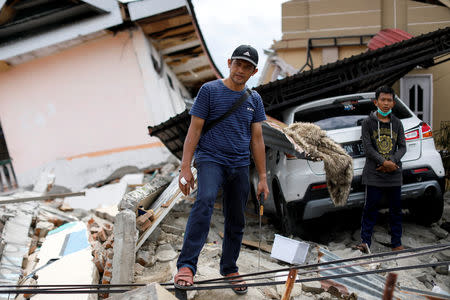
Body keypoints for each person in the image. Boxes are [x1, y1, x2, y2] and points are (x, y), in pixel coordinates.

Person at [173, 45, 269, 294]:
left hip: (239, 164)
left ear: (254, 71)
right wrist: (185, 168)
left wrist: (263, 178)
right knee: (203, 202)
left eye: (247, 67)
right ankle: (186, 266)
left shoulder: (254, 99)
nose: (241, 70)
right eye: (238, 64)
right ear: (229, 63)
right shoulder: (209, 91)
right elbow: (194, 130)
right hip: (211, 159)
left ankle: (229, 268)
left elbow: (257, 139)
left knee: (237, 216)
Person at [354, 85, 406, 254]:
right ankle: (365, 242)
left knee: (396, 210)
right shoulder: (367, 123)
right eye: (382, 100)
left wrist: (391, 162)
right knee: (370, 208)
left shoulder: (397, 123)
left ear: (393, 103)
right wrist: (384, 163)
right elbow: (368, 149)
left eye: (389, 100)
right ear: (376, 102)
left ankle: (396, 243)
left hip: (394, 173)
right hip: (374, 173)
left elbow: (402, 147)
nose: (385, 103)